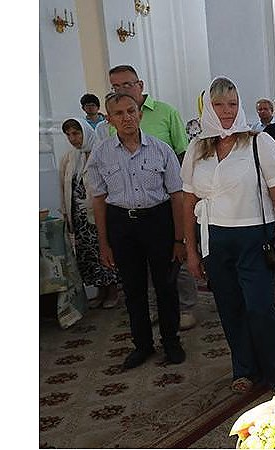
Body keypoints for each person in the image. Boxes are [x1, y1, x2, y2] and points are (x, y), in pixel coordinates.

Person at [180, 77, 275, 393]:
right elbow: (188, 201)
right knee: (230, 307)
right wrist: (190, 250)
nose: (227, 111)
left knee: (260, 308)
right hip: (215, 239)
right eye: (219, 105)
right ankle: (243, 368)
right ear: (208, 108)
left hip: (255, 238)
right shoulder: (196, 149)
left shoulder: (259, 143)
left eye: (232, 104)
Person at [87, 93, 187, 369]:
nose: (127, 117)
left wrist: (179, 239)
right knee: (133, 289)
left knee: (166, 286)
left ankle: (171, 341)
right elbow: (98, 199)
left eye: (131, 111)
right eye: (119, 113)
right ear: (109, 120)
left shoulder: (161, 150)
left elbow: (177, 195)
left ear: (140, 113)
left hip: (158, 222)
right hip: (121, 224)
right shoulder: (101, 154)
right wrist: (104, 243)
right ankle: (142, 345)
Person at [107, 64, 198, 330]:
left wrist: (184, 198)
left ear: (140, 85)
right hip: (131, 206)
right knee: (143, 266)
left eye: (126, 84)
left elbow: (183, 153)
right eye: (115, 87)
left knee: (175, 255)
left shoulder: (166, 112)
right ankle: (158, 308)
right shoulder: (113, 120)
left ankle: (186, 307)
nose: (121, 90)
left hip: (166, 201)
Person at [59, 117, 121, 309]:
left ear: (85, 132)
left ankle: (112, 291)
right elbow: (63, 186)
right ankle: (100, 291)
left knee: (104, 250)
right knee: (87, 255)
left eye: (76, 133)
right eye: (68, 135)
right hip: (79, 217)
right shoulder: (69, 157)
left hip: (98, 215)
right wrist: (65, 213)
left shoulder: (102, 152)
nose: (72, 138)